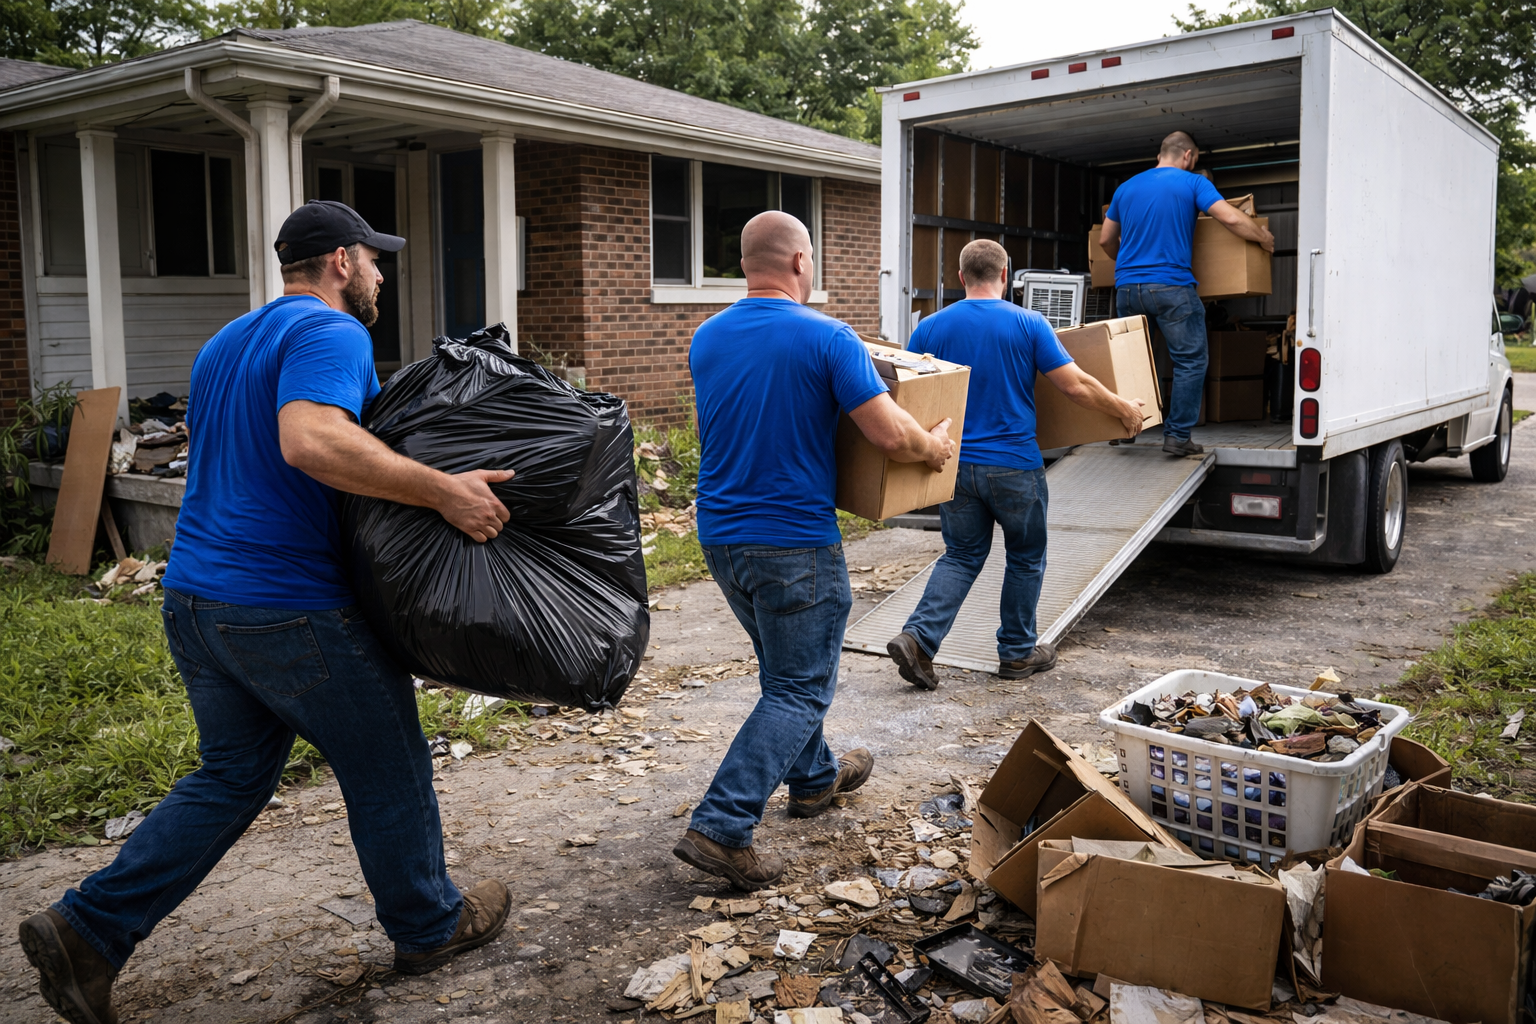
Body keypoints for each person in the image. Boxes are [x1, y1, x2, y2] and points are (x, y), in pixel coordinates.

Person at [19, 201, 514, 1024]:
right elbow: (309, 443)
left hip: (197, 600)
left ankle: (87, 929)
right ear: (342, 263)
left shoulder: (227, 341)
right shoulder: (332, 333)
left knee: (231, 776)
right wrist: (444, 492)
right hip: (285, 608)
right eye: (376, 259)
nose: (384, 274)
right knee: (388, 765)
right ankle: (430, 925)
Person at [675, 210, 955, 891]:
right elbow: (890, 436)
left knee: (785, 670)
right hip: (794, 539)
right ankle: (722, 824)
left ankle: (813, 779)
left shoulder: (706, 338)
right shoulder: (830, 337)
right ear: (801, 262)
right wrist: (937, 444)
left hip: (721, 537)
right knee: (800, 686)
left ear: (748, 263)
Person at [886, 239, 1145, 689]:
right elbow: (1075, 386)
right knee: (1025, 557)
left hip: (956, 465)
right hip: (1014, 465)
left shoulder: (929, 328)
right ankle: (1017, 653)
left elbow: (910, 397)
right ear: (1006, 276)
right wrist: (1123, 409)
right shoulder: (1028, 323)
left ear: (961, 277)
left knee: (962, 554)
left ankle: (919, 639)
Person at [1098, 130, 1275, 456]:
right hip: (1171, 287)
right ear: (1189, 157)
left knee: (1134, 360)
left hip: (1126, 289)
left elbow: (1105, 241)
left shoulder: (1126, 188)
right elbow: (1231, 219)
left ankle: (1127, 428)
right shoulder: (1193, 182)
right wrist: (1262, 237)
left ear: (1159, 155)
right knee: (1190, 361)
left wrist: (1127, 265)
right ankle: (1177, 436)